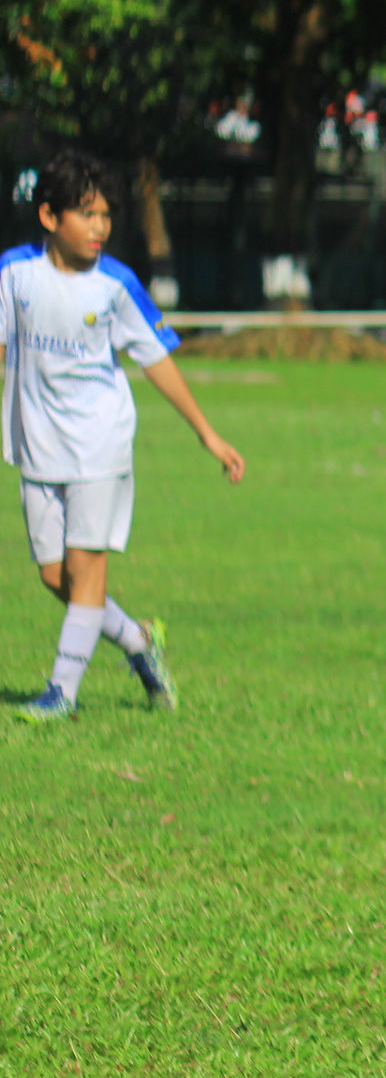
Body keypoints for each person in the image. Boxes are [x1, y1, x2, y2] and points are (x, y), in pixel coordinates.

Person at [3, 150, 244, 722]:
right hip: (37, 445)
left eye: (106, 216)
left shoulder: (116, 284)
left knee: (87, 572)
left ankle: (60, 693)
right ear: (49, 218)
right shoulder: (14, 274)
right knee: (55, 576)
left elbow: (156, 360)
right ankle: (138, 640)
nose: (100, 228)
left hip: (99, 444)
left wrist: (206, 434)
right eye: (86, 215)